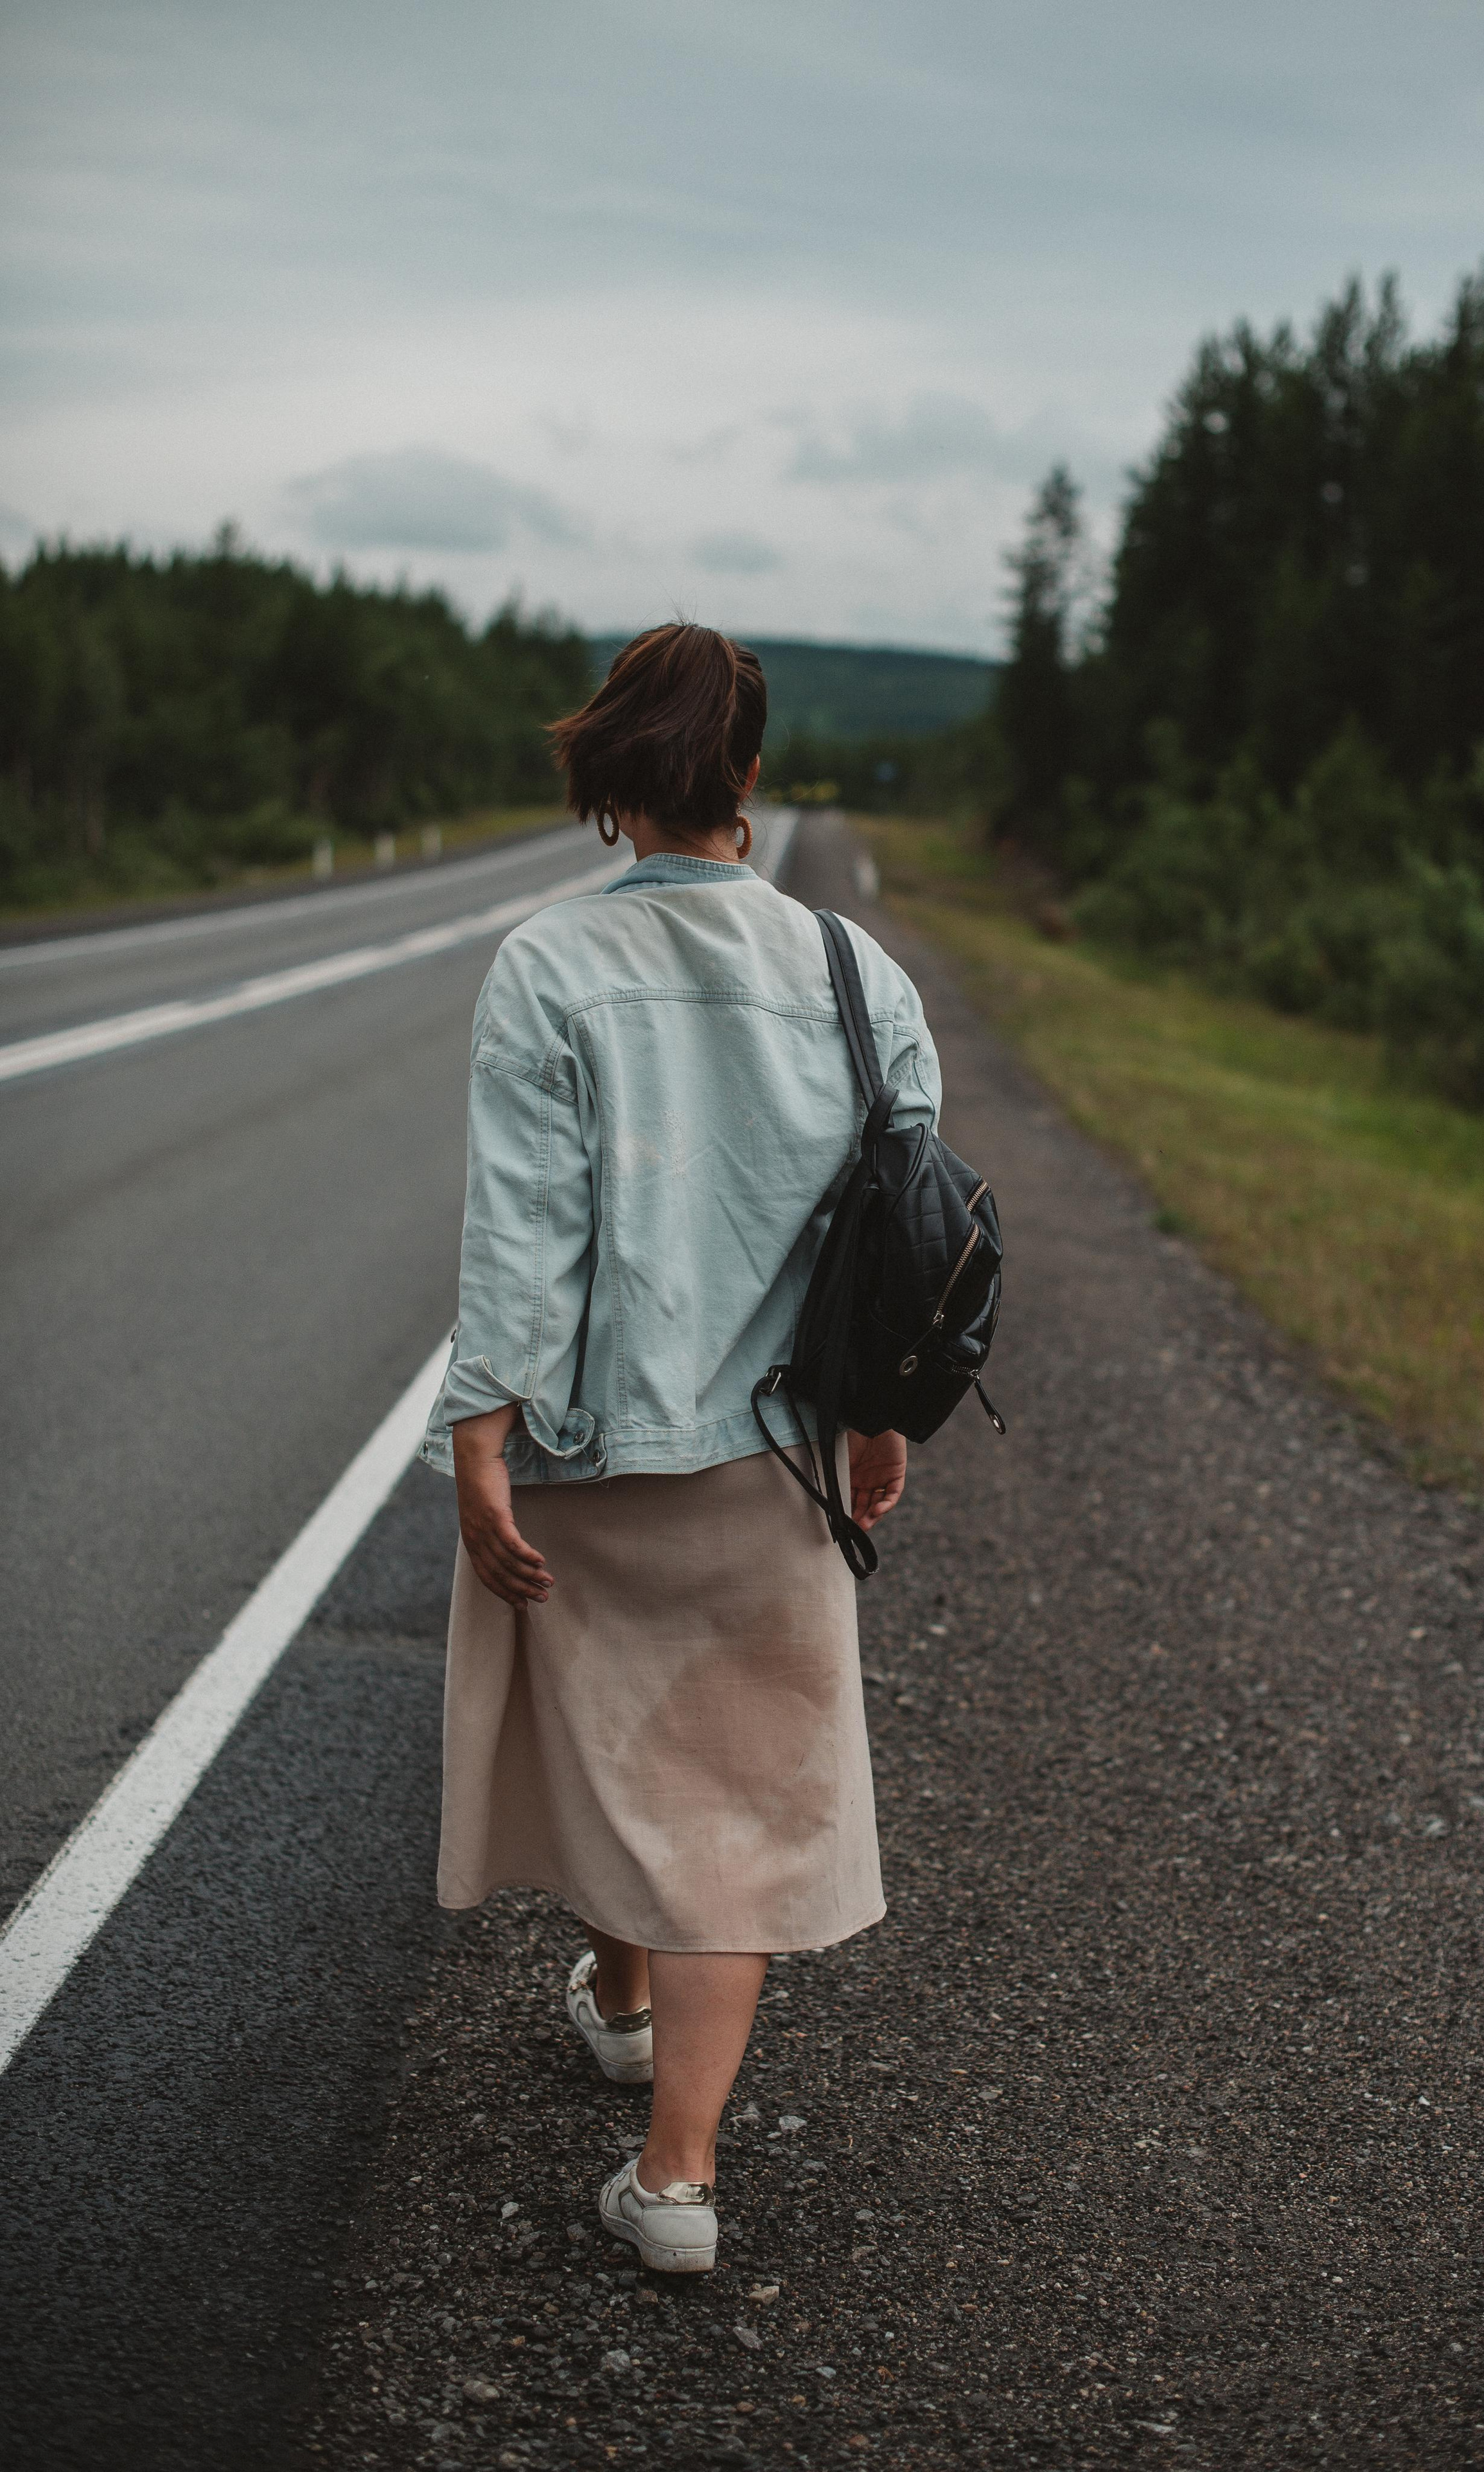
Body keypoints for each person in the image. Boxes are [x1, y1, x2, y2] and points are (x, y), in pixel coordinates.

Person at [420, 623, 942, 2273]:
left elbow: (525, 1228)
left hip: (592, 1456)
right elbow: (901, 1232)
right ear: (751, 775)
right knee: (734, 1808)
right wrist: (875, 1421)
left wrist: (479, 1427)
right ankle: (676, 2178)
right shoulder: (861, 977)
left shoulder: (549, 968)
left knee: (601, 1738)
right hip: (776, 1462)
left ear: (606, 782)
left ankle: (623, 1999)